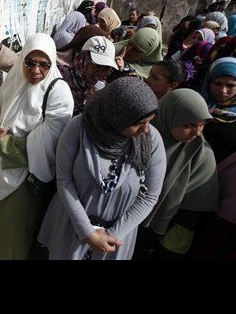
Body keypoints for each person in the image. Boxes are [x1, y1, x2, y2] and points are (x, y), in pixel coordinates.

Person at [37, 77, 166, 260]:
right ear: (117, 117)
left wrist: (112, 235)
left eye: (149, 121)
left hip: (116, 238)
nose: (146, 130)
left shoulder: (150, 140)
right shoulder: (79, 127)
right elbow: (64, 180)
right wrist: (87, 232)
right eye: (138, 123)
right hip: (71, 225)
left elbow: (150, 196)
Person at [0, 33, 74, 259]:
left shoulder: (59, 93)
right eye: (30, 63)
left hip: (27, 171)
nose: (36, 71)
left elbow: (50, 140)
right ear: (22, 59)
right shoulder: (15, 78)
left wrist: (8, 142)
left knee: (15, 228)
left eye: (44, 65)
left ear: (52, 64)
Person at [136, 89, 218, 259]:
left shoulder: (201, 154)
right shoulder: (139, 136)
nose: (197, 133)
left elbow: (192, 212)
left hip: (156, 235)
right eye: (188, 125)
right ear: (167, 117)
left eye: (202, 124)